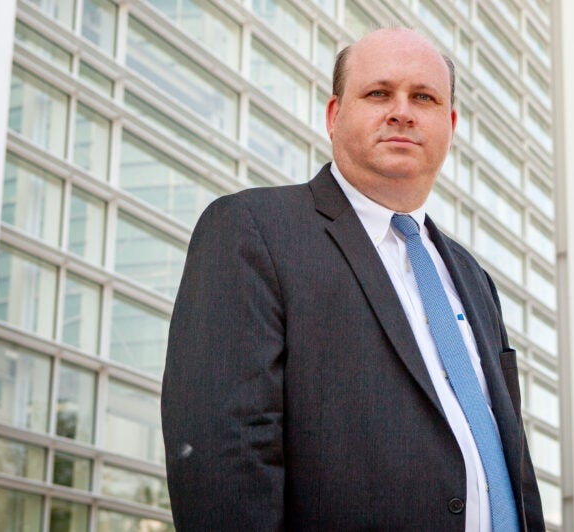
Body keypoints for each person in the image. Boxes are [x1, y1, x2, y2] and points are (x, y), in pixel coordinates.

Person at [161, 27, 545, 531]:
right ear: (334, 115)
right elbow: (223, 447)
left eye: (424, 98)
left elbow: (507, 458)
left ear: (449, 125)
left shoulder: (474, 280)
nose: (402, 111)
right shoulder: (253, 230)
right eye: (379, 93)